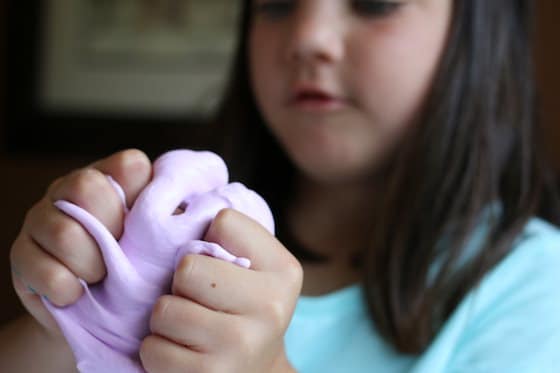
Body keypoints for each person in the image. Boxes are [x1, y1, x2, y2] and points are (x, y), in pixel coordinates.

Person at [1, 0, 560, 371]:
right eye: (276, 2)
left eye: (374, 1)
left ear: (477, 29)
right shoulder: (158, 223)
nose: (308, 37)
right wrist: (65, 323)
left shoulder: (535, 285)